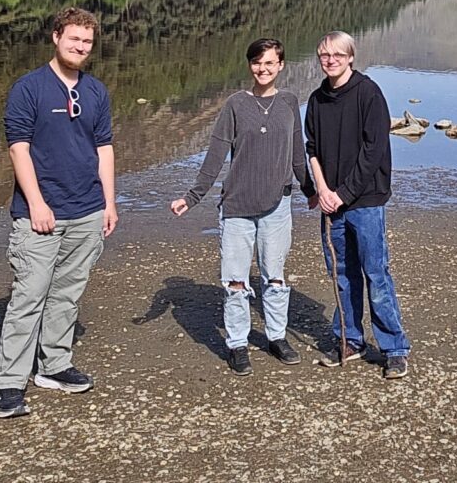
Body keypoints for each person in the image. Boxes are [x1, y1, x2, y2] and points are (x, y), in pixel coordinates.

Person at [0, 7, 118, 418]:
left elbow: (104, 148)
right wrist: (36, 202)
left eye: (87, 42)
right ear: (56, 37)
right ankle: (8, 383)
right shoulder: (29, 88)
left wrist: (109, 202)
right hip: (40, 214)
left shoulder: (95, 91)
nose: (80, 47)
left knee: (67, 294)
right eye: (74, 38)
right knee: (29, 295)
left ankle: (54, 365)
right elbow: (18, 149)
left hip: (87, 210)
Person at [170, 38, 314, 375]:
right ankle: (237, 344)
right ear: (250, 65)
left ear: (281, 65)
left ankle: (276, 337)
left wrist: (311, 190)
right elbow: (216, 155)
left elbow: (297, 153)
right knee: (235, 281)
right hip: (237, 206)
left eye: (269, 62)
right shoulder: (235, 104)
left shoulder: (289, 102)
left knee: (274, 277)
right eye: (256, 62)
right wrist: (192, 196)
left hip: (277, 205)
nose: (262, 69)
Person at [305, 30, 411, 379]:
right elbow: (312, 149)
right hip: (331, 202)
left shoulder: (369, 93)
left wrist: (344, 194)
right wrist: (322, 190)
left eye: (338, 54)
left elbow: (373, 151)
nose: (331, 60)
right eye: (325, 55)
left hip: (365, 200)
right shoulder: (317, 99)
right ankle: (350, 341)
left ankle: (394, 348)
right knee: (341, 275)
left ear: (350, 57)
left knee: (376, 274)